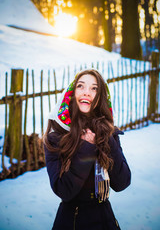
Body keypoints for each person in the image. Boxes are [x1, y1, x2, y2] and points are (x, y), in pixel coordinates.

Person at [44, 69, 131, 230]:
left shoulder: (109, 133)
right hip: (72, 220)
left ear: (100, 98)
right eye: (81, 86)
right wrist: (87, 148)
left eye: (94, 88)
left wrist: (107, 138)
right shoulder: (57, 136)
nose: (87, 93)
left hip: (106, 218)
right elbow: (63, 190)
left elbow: (122, 182)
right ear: (71, 93)